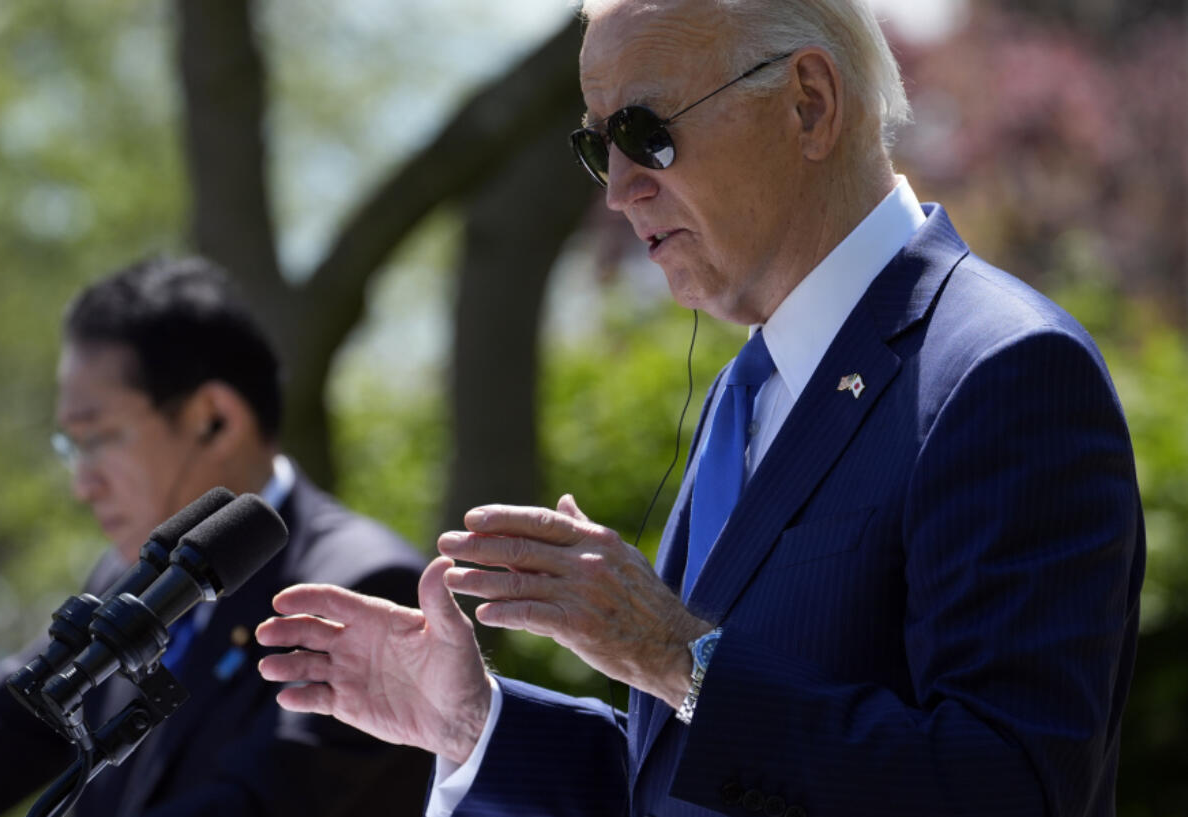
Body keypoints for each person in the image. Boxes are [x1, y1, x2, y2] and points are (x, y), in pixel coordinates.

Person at [256, 1, 1146, 815]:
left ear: (808, 103)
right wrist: (474, 726)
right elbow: (702, 775)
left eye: (645, 132)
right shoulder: (748, 389)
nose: (617, 187)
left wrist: (678, 657)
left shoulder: (1004, 369)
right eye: (596, 143)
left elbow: (1011, 789)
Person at [0, 257, 432, 817]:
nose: (82, 486)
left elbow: (256, 804)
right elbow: (0, 733)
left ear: (214, 419)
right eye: (70, 448)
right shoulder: (125, 576)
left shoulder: (361, 589)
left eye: (97, 437)